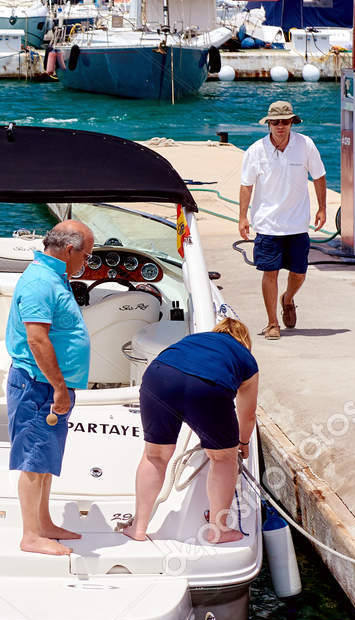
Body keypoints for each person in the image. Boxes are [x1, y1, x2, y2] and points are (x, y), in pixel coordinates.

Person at [123, 317, 259, 544]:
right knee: (223, 458)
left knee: (155, 455)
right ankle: (218, 530)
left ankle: (138, 527)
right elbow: (249, 415)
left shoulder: (195, 339)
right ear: (244, 341)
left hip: (159, 375)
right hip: (207, 387)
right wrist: (242, 444)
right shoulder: (246, 359)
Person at [4, 219, 94, 555]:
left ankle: (43, 523)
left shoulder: (55, 276)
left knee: (45, 459)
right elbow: (37, 340)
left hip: (50, 386)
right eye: (87, 255)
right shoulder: (41, 282)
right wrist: (58, 387)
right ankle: (31, 536)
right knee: (33, 460)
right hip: (37, 385)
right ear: (69, 250)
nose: (87, 262)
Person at [238, 100, 326, 340]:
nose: (280, 126)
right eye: (275, 122)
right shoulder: (256, 150)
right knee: (270, 272)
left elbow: (319, 176)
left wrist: (322, 208)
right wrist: (242, 216)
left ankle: (287, 299)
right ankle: (272, 323)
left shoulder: (305, 145)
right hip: (267, 224)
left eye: (285, 122)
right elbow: (246, 185)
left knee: (299, 273)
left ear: (292, 123)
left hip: (297, 224)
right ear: (268, 123)